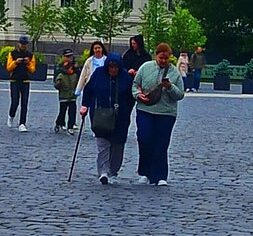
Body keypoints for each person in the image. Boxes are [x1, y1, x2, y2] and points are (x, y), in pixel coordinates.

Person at [132, 42, 185, 186]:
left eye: (166, 58)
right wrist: (137, 94)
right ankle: (145, 172)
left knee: (161, 143)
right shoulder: (145, 67)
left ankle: (160, 175)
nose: (163, 61)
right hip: (145, 109)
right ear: (156, 56)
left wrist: (170, 87)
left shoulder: (174, 73)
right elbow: (135, 84)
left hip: (166, 112)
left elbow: (180, 94)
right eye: (161, 58)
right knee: (144, 139)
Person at [80, 53, 135, 184]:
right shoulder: (98, 74)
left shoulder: (126, 78)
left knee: (118, 145)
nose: (113, 70)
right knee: (103, 144)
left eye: (115, 67)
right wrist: (85, 106)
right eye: (111, 67)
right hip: (100, 115)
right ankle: (103, 171)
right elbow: (88, 90)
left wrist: (126, 110)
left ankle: (113, 171)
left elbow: (131, 96)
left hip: (120, 116)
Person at [6, 35, 36, 131]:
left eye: (25, 44)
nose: (23, 45)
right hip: (14, 81)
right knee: (15, 102)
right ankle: (11, 116)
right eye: (22, 44)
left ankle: (22, 123)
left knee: (24, 103)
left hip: (25, 81)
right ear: (18, 44)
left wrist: (27, 63)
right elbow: (8, 67)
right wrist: (16, 62)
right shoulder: (12, 54)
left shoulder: (30, 55)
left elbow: (32, 69)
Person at [53, 50, 80, 133]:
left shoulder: (76, 68)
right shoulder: (59, 67)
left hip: (72, 93)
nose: (69, 59)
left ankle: (70, 126)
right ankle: (59, 123)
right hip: (64, 93)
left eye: (70, 57)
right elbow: (55, 81)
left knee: (72, 110)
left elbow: (79, 78)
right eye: (67, 57)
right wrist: (59, 83)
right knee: (62, 110)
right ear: (63, 57)